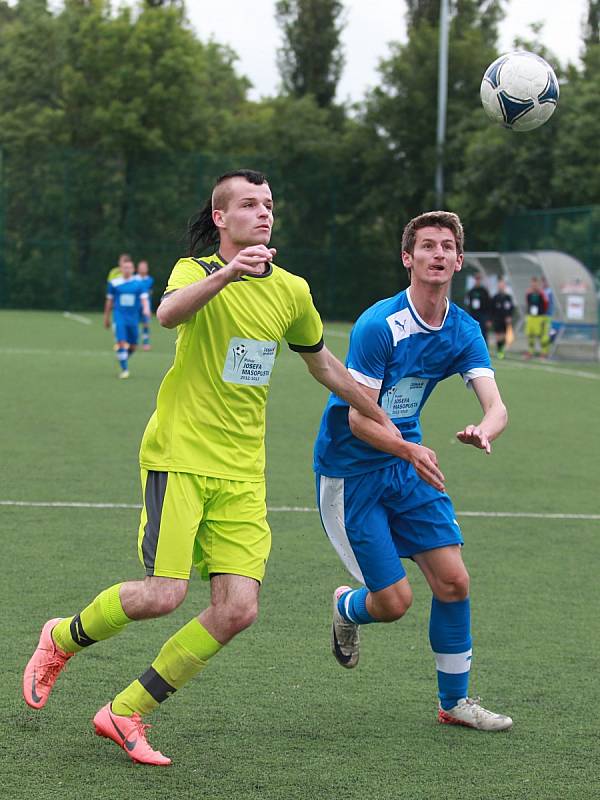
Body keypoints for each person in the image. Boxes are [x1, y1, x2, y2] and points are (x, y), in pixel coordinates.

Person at [23, 169, 394, 766]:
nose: (264, 213)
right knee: (163, 595)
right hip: (181, 456)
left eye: (269, 204)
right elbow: (168, 315)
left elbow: (322, 363)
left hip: (244, 473)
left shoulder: (292, 291)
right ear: (221, 218)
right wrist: (226, 274)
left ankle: (125, 712)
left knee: (237, 609)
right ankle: (61, 637)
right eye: (249, 204)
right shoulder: (194, 272)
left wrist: (379, 416)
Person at [314, 211, 512, 732]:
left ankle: (455, 702)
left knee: (453, 582)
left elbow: (497, 405)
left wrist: (485, 428)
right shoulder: (379, 325)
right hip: (352, 470)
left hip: (407, 461)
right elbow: (360, 419)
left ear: (459, 260)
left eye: (448, 246)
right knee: (394, 603)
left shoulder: (462, 328)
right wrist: (408, 451)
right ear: (408, 258)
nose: (438, 254)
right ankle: (347, 607)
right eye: (427, 246)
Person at [104, 255, 150, 378]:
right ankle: (124, 369)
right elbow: (109, 301)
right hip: (119, 317)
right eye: (125, 267)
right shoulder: (114, 284)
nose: (127, 270)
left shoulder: (139, 284)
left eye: (129, 267)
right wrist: (106, 317)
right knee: (122, 342)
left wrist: (146, 309)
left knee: (133, 346)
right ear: (121, 269)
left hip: (133, 318)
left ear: (133, 269)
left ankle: (122, 356)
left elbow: (144, 299)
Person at [524, 276, 549, 359]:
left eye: (535, 283)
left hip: (540, 317)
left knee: (542, 336)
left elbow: (546, 304)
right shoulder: (528, 293)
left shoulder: (542, 293)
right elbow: (527, 303)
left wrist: (543, 315)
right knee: (530, 335)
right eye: (532, 283)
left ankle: (544, 353)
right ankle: (531, 352)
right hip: (531, 317)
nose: (534, 285)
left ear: (538, 284)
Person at [490, 277, 514, 359]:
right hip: (497, 319)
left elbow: (511, 308)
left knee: (504, 336)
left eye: (503, 285)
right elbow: (492, 309)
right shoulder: (495, 297)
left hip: (505, 320)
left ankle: (502, 350)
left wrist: (510, 317)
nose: (501, 286)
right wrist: (491, 319)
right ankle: (499, 351)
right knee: (498, 336)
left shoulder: (508, 297)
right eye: (500, 285)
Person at [464, 272, 491, 345]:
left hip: (483, 314)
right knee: (473, 332)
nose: (477, 281)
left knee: (483, 332)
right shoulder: (471, 291)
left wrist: (488, 319)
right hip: (473, 314)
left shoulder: (484, 291)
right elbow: (468, 304)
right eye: (476, 279)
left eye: (479, 279)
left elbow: (488, 305)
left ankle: (485, 347)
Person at [136, 259, 155, 350]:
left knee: (145, 324)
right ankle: (133, 342)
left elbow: (149, 293)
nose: (143, 269)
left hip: (146, 306)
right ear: (137, 268)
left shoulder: (150, 280)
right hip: (135, 306)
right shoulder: (134, 279)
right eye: (141, 267)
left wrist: (148, 308)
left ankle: (145, 343)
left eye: (144, 267)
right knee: (134, 324)